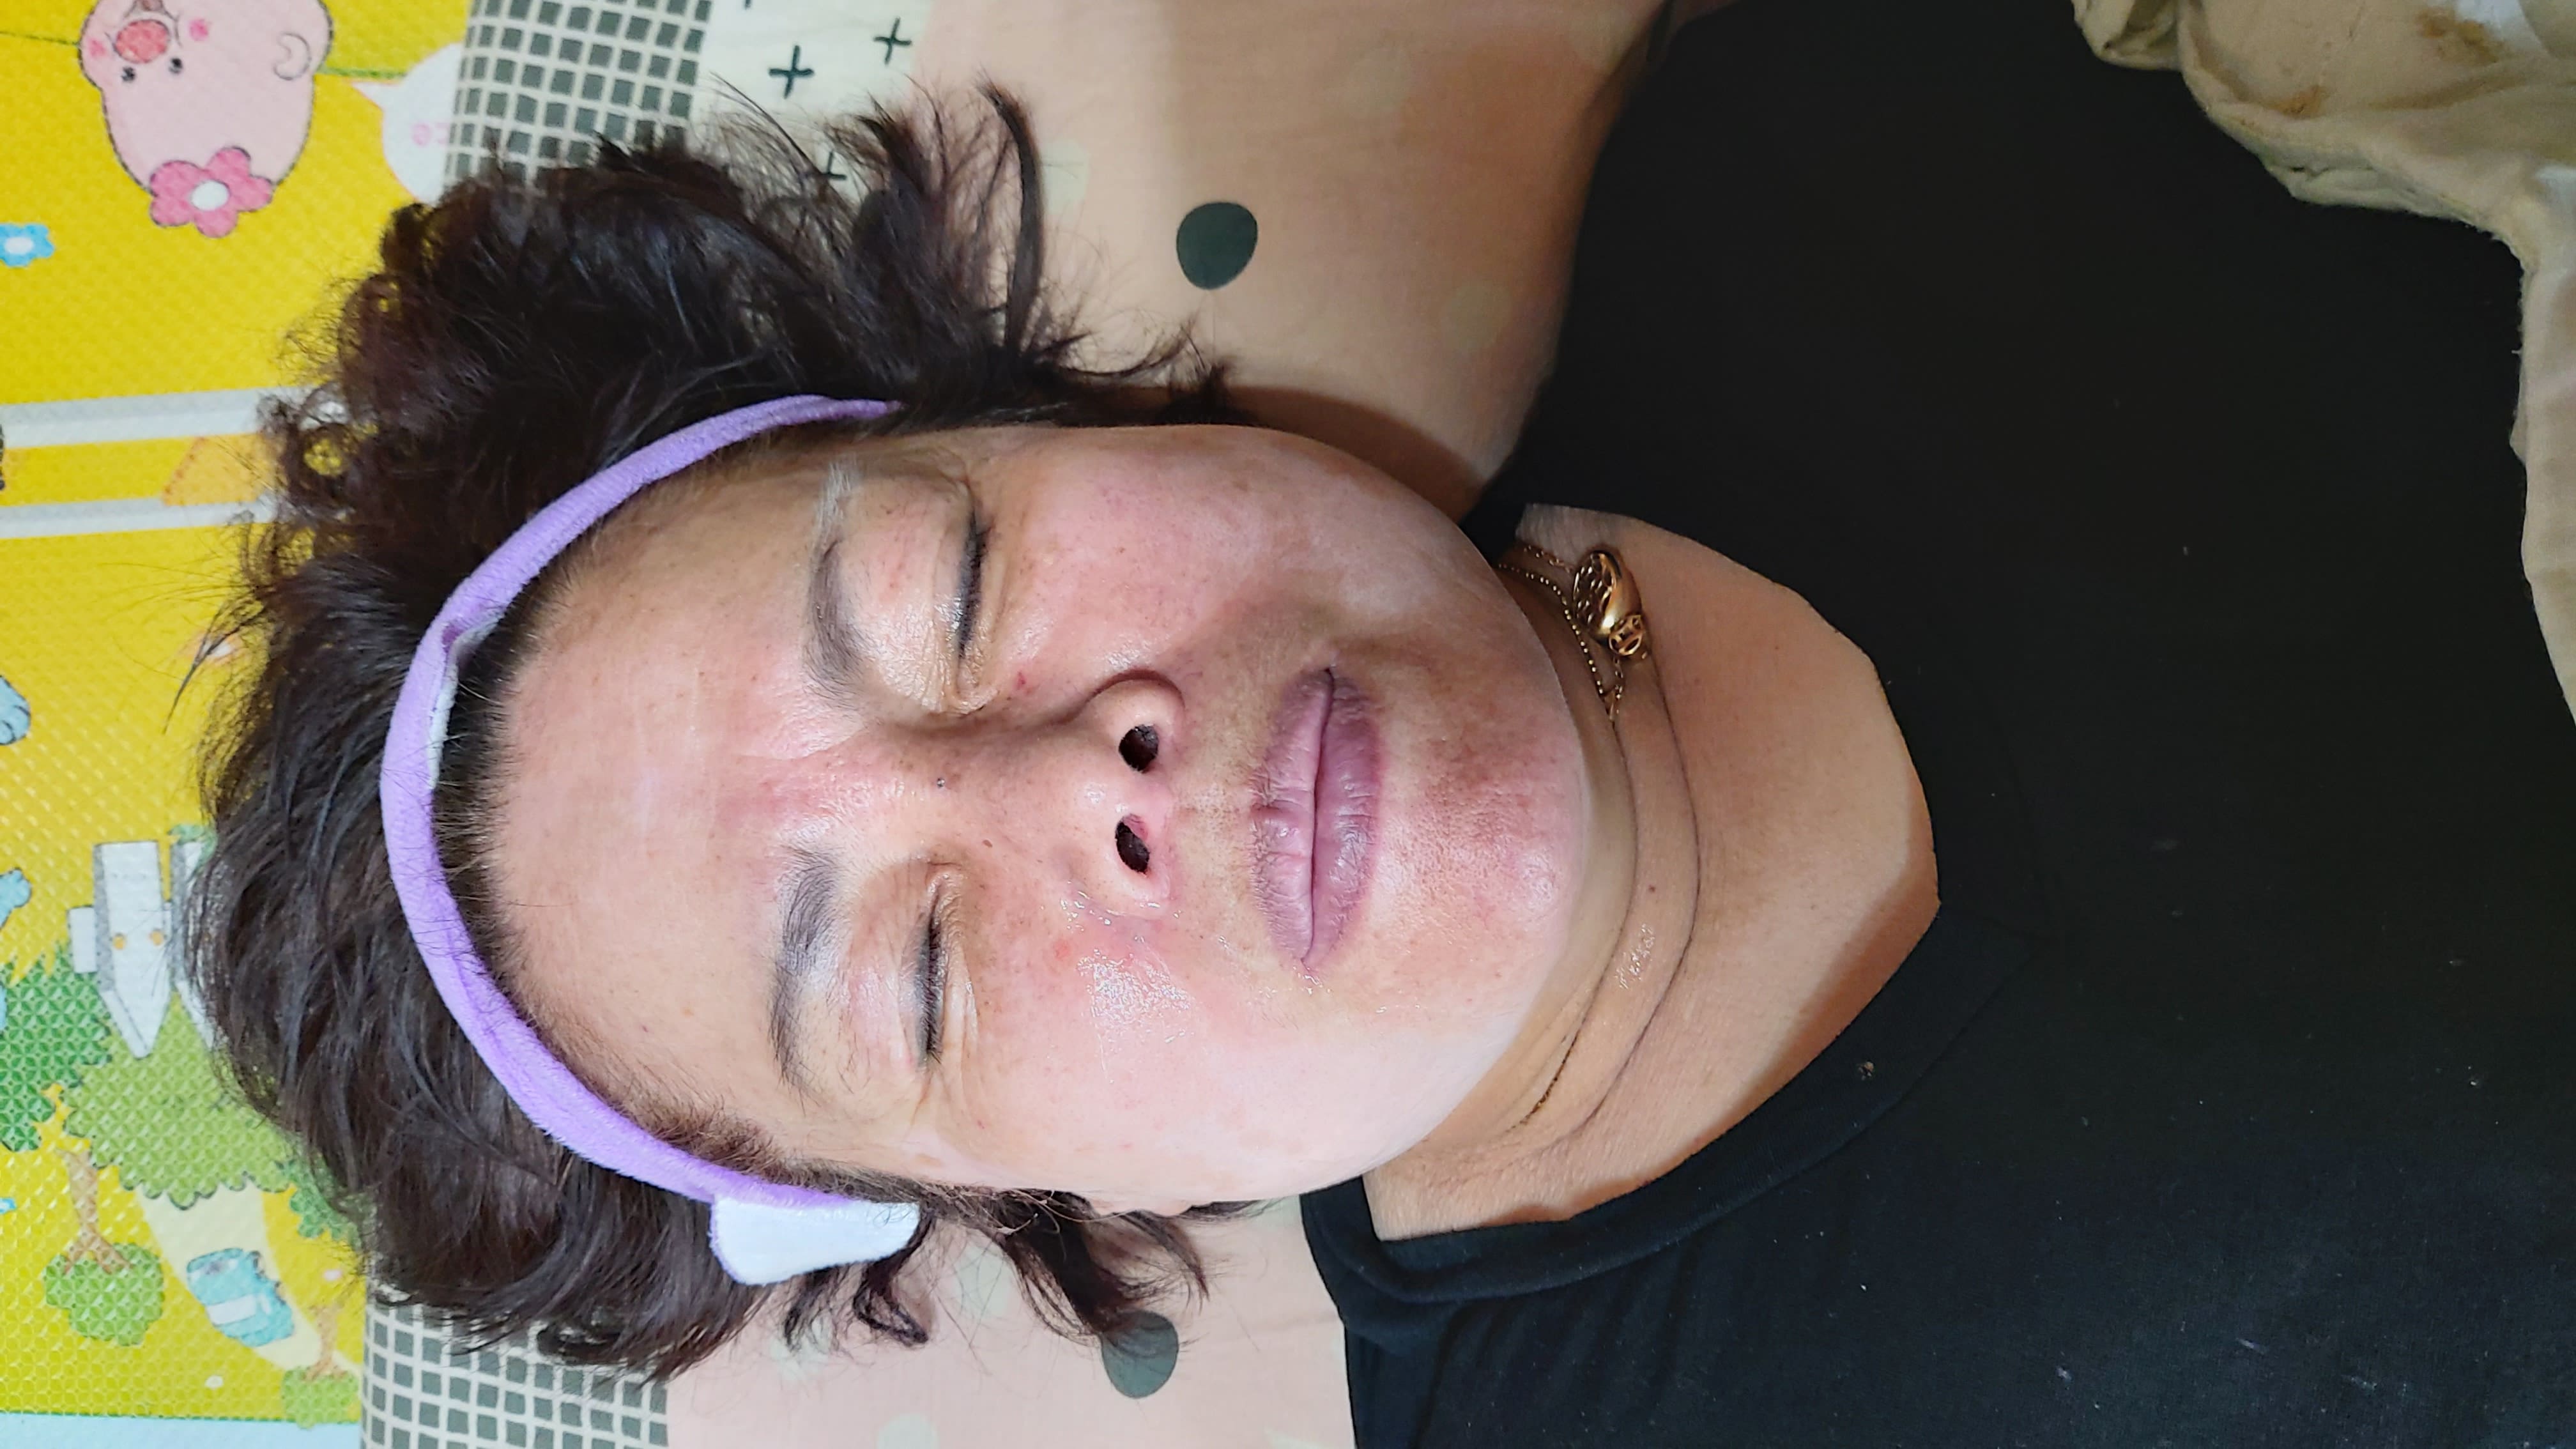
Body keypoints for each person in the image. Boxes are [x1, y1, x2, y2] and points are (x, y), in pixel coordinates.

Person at [188, 1, 2576, 1444]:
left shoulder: (1812, 145)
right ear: (1028, 1198)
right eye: (917, 972)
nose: (1077, 772)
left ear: (1034, 409)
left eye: (952, 588)